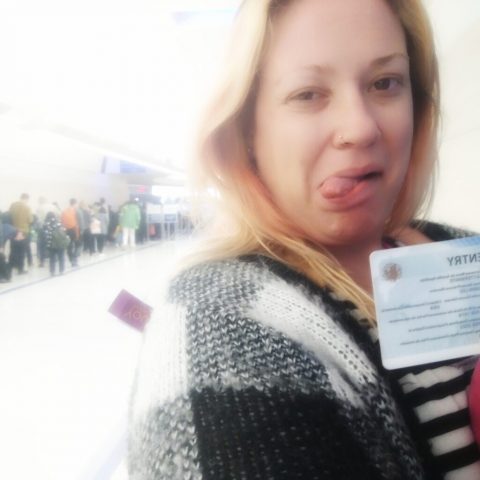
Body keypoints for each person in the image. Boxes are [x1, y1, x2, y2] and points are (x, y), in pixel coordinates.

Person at [128, 1, 480, 479]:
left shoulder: (457, 251)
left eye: (384, 83)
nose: (360, 128)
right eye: (308, 94)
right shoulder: (219, 317)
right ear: (247, 129)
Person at [8, 193, 33, 274]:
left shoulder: (13, 206)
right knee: (22, 251)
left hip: (13, 230)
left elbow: (9, 217)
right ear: (26, 199)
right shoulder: (27, 208)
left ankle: (11, 267)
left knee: (13, 250)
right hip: (23, 231)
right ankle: (20, 269)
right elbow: (30, 220)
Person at [43, 211, 67, 276]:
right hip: (60, 242)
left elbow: (45, 234)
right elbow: (64, 230)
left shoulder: (46, 224)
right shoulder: (58, 222)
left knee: (52, 258)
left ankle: (52, 271)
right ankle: (61, 270)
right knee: (61, 257)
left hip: (51, 243)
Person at [61, 198, 80, 267]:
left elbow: (62, 221)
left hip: (67, 230)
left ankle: (71, 260)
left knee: (69, 246)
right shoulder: (75, 211)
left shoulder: (64, 211)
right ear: (75, 203)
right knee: (78, 245)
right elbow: (79, 221)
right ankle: (75, 259)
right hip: (75, 230)